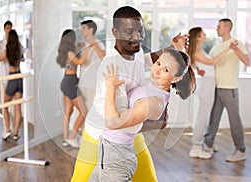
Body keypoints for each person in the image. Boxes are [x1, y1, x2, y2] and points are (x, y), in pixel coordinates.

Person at [71, 6, 188, 182]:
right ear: (115, 32)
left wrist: (172, 48)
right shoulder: (112, 68)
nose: (137, 37)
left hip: (129, 135)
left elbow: (146, 59)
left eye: (141, 31)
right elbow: (115, 122)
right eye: (130, 32)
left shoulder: (135, 51)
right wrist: (156, 124)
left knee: (148, 178)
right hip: (101, 135)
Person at [89, 48, 195, 181]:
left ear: (176, 78)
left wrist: (110, 87)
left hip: (117, 161)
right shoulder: (150, 89)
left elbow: (113, 123)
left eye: (166, 70)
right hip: (107, 154)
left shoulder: (154, 102)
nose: (156, 71)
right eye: (158, 63)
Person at [203, 18, 249, 162]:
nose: (216, 29)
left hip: (230, 88)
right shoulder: (216, 47)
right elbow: (210, 64)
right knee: (214, 117)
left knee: (234, 120)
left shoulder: (236, 43)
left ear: (227, 28)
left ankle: (240, 149)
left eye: (219, 27)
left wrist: (235, 49)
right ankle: (209, 143)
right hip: (217, 87)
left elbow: (247, 61)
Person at [186, 27, 231, 159]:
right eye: (203, 34)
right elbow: (212, 62)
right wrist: (228, 49)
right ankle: (195, 147)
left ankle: (199, 145)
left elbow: (204, 66)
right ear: (197, 38)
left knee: (205, 117)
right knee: (203, 118)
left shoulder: (200, 50)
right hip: (206, 86)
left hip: (208, 84)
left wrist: (200, 70)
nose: (205, 36)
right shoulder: (195, 52)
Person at [56, 29, 90, 148]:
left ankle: (65, 139)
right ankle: (71, 137)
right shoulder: (70, 52)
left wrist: (82, 45)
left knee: (68, 111)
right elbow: (80, 62)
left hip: (67, 80)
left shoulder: (66, 51)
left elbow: (78, 47)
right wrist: (89, 48)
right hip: (70, 82)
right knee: (84, 111)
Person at [0, 29, 25, 140]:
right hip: (19, 77)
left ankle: (7, 130)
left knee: (4, 106)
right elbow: (23, 58)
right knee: (17, 107)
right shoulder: (19, 49)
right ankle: (15, 134)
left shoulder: (7, 51)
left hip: (12, 78)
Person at [79, 20, 106, 110]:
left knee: (93, 110)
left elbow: (103, 56)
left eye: (83, 28)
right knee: (81, 112)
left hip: (92, 84)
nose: (81, 30)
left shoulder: (99, 43)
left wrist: (93, 44)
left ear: (91, 30)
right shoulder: (84, 45)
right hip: (82, 83)